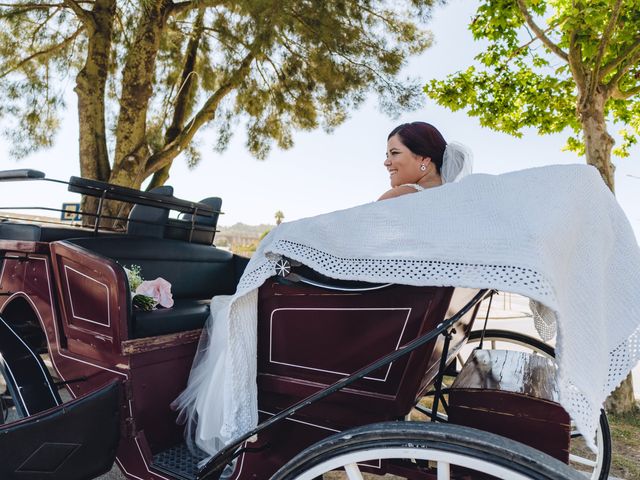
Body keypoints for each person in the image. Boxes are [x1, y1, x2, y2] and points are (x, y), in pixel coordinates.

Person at [378, 122, 473, 200]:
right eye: (387, 155)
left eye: (395, 153)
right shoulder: (462, 199)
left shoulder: (398, 197)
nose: (386, 163)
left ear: (424, 159)